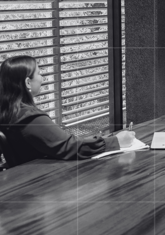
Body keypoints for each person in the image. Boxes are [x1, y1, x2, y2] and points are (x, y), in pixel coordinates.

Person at [0, 55, 135, 167]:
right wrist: (116, 141)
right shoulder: (30, 118)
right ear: (28, 83)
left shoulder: (9, 113)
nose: (42, 78)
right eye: (39, 74)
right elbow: (70, 147)